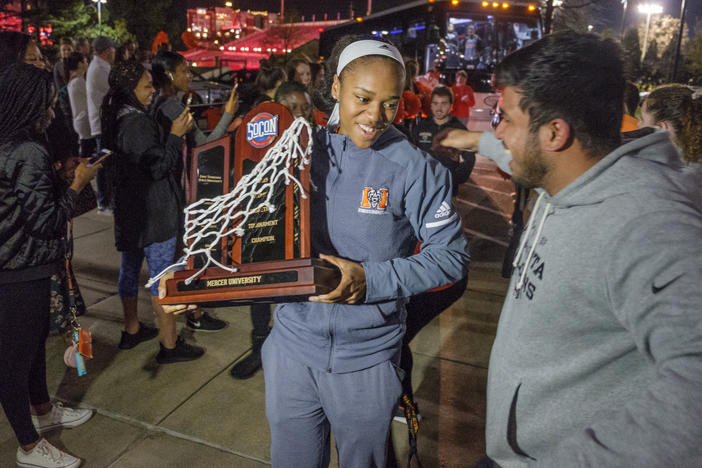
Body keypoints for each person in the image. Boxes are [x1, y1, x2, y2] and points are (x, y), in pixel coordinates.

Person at [471, 31, 702, 467]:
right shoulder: (566, 184)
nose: (496, 130)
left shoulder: (646, 223)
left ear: (555, 133)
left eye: (506, 118)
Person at [1, 62, 98, 468]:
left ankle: (43, 409)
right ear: (29, 104)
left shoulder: (15, 145)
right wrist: (76, 184)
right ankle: (28, 445)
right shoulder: (27, 150)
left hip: (21, 264)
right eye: (49, 103)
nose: (54, 111)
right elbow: (46, 223)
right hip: (20, 269)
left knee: (33, 347)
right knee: (14, 360)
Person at [101, 60, 205, 364]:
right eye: (146, 86)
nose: (152, 91)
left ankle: (132, 329)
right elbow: (158, 166)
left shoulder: (118, 116)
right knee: (164, 278)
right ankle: (169, 345)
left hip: (132, 210)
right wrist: (174, 135)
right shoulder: (135, 122)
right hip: (153, 212)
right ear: (130, 89)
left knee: (130, 268)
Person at [150, 50, 234, 333]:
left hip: (167, 190)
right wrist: (229, 114)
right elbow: (205, 144)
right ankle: (193, 315)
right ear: (171, 75)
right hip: (182, 189)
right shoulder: (172, 108)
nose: (190, 76)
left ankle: (194, 313)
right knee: (191, 250)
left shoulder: (156, 103)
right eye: (185, 71)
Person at [414, 86, 476, 192]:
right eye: (435, 103)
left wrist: (455, 178)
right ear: (431, 105)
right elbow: (412, 154)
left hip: (448, 191)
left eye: (444, 103)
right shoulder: (421, 126)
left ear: (451, 106)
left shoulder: (458, 128)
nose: (439, 108)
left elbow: (470, 158)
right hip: (423, 188)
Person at [86, 35, 116, 213]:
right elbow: (113, 93)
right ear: (107, 51)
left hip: (101, 122)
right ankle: (104, 201)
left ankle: (104, 200)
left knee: (103, 162)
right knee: (104, 164)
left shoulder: (97, 66)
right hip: (103, 124)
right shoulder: (100, 69)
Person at [639, 83, 702, 164]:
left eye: (642, 119)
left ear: (661, 128)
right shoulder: (693, 165)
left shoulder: (653, 167)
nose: (638, 124)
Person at [65, 52, 91, 154]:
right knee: (87, 150)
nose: (87, 63)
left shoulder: (75, 81)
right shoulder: (78, 82)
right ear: (80, 64)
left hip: (80, 121)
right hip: (84, 121)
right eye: (85, 61)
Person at [53, 37, 74, 118]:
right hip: (66, 105)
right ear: (60, 51)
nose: (66, 52)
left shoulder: (78, 64)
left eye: (69, 49)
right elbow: (60, 88)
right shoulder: (58, 66)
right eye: (64, 50)